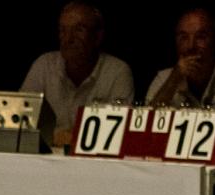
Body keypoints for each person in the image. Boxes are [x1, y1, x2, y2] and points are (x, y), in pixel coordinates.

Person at [19, 2, 134, 148]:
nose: (68, 39)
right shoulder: (44, 65)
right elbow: (21, 119)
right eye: (63, 30)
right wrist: (54, 137)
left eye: (79, 30)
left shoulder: (117, 71)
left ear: (97, 37)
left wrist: (72, 137)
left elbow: (120, 130)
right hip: (45, 157)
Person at [147, 8, 215, 110]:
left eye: (200, 37)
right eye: (184, 37)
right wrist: (174, 79)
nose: (191, 46)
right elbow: (148, 121)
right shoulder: (164, 78)